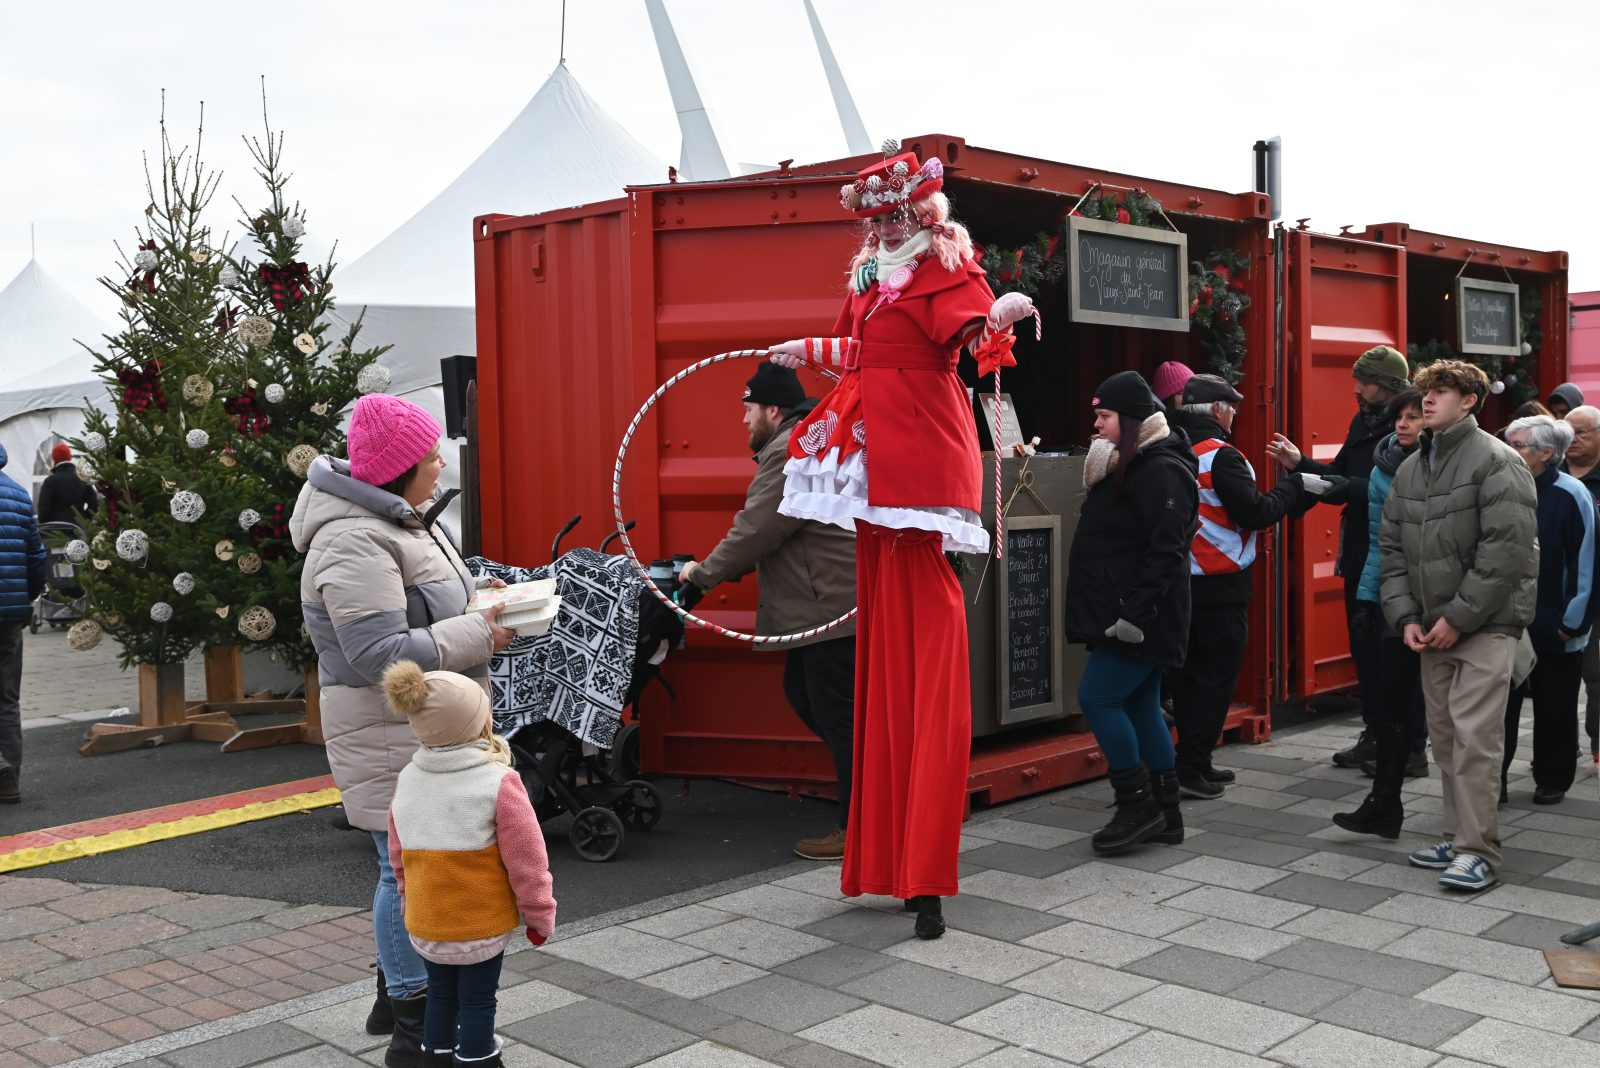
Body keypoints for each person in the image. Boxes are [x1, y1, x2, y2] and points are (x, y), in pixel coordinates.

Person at [768, 145, 1034, 940]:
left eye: (893, 217)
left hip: (918, 451)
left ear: (920, 216)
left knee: (922, 660)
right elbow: (859, 353)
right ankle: (890, 859)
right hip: (874, 457)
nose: (882, 229)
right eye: (873, 220)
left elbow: (970, 335)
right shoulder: (874, 283)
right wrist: (806, 350)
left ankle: (923, 870)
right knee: (888, 662)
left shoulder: (942, 270)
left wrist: (1001, 316)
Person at [291, 393, 516, 1067]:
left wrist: (485, 592)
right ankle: (413, 1026)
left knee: (408, 863)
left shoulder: (404, 521)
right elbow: (377, 654)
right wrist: (481, 631)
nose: (440, 462)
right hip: (388, 726)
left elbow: (428, 599)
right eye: (429, 455)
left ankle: (398, 993)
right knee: (402, 868)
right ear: (397, 469)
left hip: (416, 726)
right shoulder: (355, 539)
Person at [679, 364, 857, 860]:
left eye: (748, 408)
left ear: (772, 410)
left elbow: (760, 527)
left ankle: (860, 826)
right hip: (829, 601)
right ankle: (872, 801)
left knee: (838, 716)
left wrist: (703, 573)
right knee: (807, 696)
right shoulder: (814, 440)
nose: (744, 420)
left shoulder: (788, 452)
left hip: (829, 604)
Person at [1380, 359, 1538, 892]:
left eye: (1440, 392)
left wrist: (1457, 617)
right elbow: (1392, 551)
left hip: (1487, 626)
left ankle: (1478, 851)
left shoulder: (1497, 460)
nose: (1427, 401)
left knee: (1475, 740)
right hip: (1430, 626)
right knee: (1446, 742)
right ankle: (1458, 835)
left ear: (1469, 401)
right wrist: (1404, 615)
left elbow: (1507, 552)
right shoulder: (1410, 468)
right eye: (1425, 392)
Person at [384, 661, 556, 1068]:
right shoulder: (497, 781)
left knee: (441, 994)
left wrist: (410, 902)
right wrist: (539, 913)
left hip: (427, 920)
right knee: (479, 999)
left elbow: (398, 855)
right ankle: (479, 1059)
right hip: (478, 920)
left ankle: (436, 1057)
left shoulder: (408, 777)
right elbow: (527, 860)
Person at [1064, 371, 1199, 852]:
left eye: (1104, 416)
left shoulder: (1160, 469)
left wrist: (1135, 617)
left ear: (1132, 419)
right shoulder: (1132, 462)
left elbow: (1167, 551)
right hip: (1129, 614)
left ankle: (1136, 803)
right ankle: (1165, 812)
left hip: (1139, 620)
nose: (1096, 426)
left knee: (1098, 700)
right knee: (1141, 705)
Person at [1270, 345, 1409, 768]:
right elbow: (1340, 475)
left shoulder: (1406, 430)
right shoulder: (1362, 422)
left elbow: (1392, 492)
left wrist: (1340, 487)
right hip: (1358, 555)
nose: (1357, 388)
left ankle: (1405, 747)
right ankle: (1374, 735)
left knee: (1394, 658)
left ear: (1389, 387)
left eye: (1365, 381)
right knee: (1364, 650)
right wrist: (1300, 464)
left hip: (1393, 555)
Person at [1166, 374, 1305, 799]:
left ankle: (1195, 761)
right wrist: (1290, 485)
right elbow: (1255, 512)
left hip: (1178, 583)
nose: (1235, 414)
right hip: (1220, 585)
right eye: (1231, 407)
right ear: (1215, 410)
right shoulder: (1220, 456)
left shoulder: (1169, 447)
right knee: (1215, 679)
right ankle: (1192, 765)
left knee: (1187, 678)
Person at [1333, 390, 1430, 840]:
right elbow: (1379, 543)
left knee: (1442, 706)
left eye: (1415, 416)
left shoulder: (1445, 464)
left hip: (1441, 598)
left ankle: (1471, 810)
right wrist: (1368, 602)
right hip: (1397, 598)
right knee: (1390, 694)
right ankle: (1384, 803)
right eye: (1400, 417)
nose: (1404, 424)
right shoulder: (1382, 466)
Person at [1501, 415, 1597, 806]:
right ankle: (1494, 781)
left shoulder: (1572, 494)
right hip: (1506, 621)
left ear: (1546, 452)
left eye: (1519, 445)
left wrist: (1570, 624)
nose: (1510, 450)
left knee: (1556, 705)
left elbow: (1588, 562)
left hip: (1555, 622)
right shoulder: (1502, 487)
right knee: (1498, 710)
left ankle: (1552, 778)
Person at [0, 443, 48, 805]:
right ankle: (9, 778)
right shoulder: (17, 495)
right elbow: (36, 559)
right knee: (6, 697)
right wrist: (26, 599)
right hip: (10, 616)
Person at [1562, 404, 1600, 764]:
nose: (1573, 439)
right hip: (1559, 589)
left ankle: (1598, 746)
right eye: (1568, 431)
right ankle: (1561, 745)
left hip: (1597, 589)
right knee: (1557, 677)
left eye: (1582, 432)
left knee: (1595, 672)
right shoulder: (1549, 474)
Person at [34, 443, 97, 527]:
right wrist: (84, 519)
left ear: (54, 459)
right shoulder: (82, 479)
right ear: (70, 457)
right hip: (78, 530)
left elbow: (43, 510)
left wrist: (47, 525)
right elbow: (94, 505)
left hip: (54, 531)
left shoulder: (50, 481)